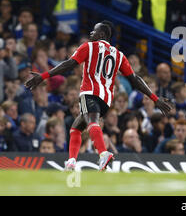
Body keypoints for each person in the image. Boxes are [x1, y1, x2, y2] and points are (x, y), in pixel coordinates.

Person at [25, 21, 172, 171]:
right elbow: (135, 79)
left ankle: (103, 153)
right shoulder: (119, 55)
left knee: (92, 123)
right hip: (106, 101)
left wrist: (44, 76)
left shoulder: (89, 47)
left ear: (102, 34)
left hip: (89, 93)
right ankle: (71, 162)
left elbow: (69, 64)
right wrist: (155, 98)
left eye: (93, 31)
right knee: (75, 128)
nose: (91, 34)